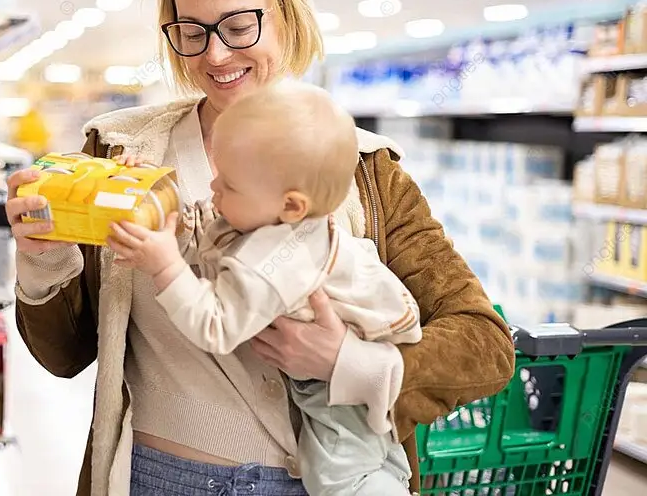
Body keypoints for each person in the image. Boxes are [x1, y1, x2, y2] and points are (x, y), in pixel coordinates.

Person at [6, 0, 515, 496]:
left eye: (238, 25)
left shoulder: (363, 169)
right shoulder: (122, 152)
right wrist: (43, 256)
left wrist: (345, 362)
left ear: (287, 15)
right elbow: (66, 355)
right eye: (192, 30)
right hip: (158, 479)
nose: (216, 55)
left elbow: (485, 345)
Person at [105, 82, 422, 495]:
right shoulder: (275, 220)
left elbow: (215, 326)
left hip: (343, 402)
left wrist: (164, 264)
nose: (213, 189)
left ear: (292, 205)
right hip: (340, 378)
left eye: (229, 185)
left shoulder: (278, 261)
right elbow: (208, 242)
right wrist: (150, 196)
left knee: (343, 477)